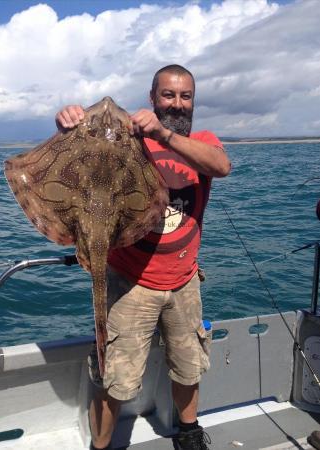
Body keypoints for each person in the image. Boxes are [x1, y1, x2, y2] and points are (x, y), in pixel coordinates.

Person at [55, 64, 231, 450]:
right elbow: (76, 167)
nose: (178, 103)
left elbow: (221, 166)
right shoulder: (128, 138)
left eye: (186, 97)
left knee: (188, 368)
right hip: (130, 283)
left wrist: (164, 134)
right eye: (168, 95)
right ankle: (100, 447)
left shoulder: (201, 140)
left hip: (184, 281)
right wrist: (68, 124)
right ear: (152, 98)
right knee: (115, 378)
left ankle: (188, 433)